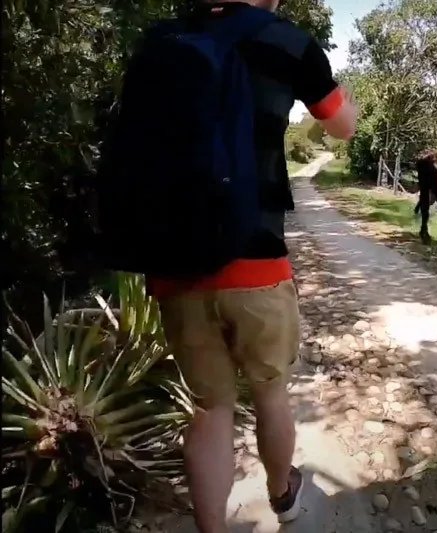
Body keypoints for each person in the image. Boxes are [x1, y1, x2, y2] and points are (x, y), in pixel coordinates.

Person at [120, 1, 356, 532]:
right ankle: (282, 496)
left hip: (176, 265)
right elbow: (341, 126)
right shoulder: (288, 42)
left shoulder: (163, 41)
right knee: (271, 392)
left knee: (209, 409)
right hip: (256, 262)